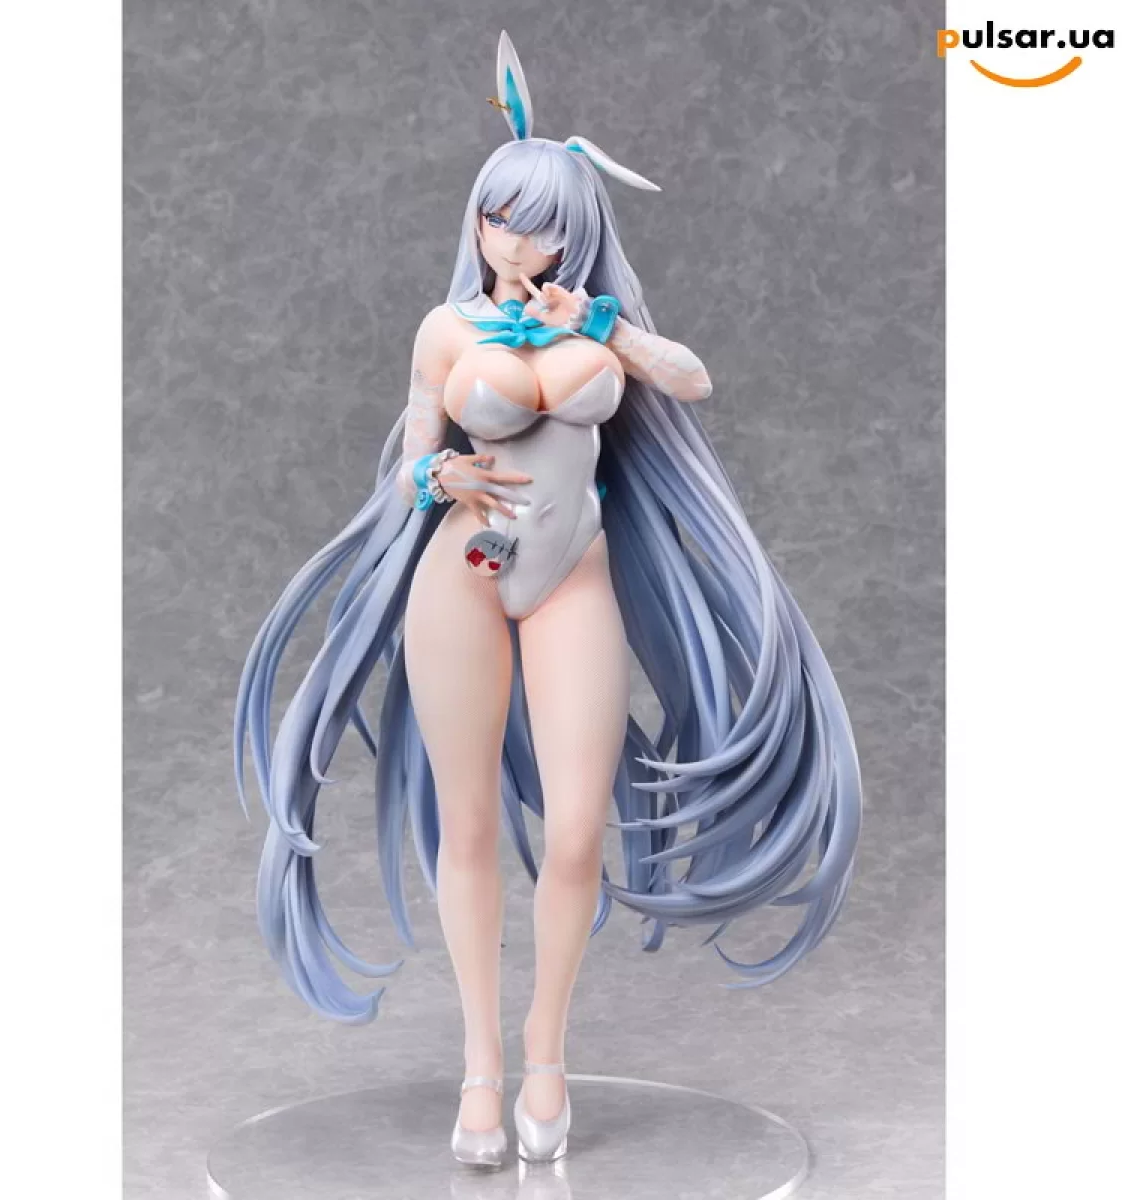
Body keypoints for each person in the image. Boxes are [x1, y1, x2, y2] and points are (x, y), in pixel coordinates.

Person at [235, 30, 862, 1170]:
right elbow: (411, 462)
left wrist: (603, 328)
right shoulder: (445, 331)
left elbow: (693, 380)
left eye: (538, 225)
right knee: (470, 821)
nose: (514, 242)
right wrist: (438, 478)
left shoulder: (593, 321)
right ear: (476, 222)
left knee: (577, 828)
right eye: (498, 218)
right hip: (464, 571)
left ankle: (546, 1050)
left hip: (573, 571)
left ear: (574, 233)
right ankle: (482, 1065)